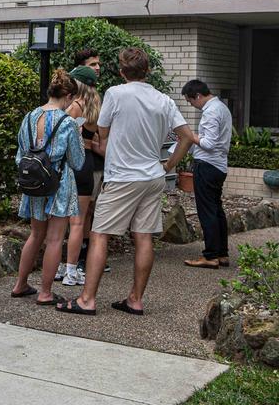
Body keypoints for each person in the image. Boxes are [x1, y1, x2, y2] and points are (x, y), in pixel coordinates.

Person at [59, 48, 193, 316]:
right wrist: (168, 165)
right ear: (148, 71)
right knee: (144, 237)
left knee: (99, 234)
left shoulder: (116, 94)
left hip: (122, 176)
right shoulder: (164, 100)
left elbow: (102, 130)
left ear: (122, 72)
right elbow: (187, 137)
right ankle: (135, 299)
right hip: (153, 176)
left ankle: (87, 299)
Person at [10, 70, 84, 306]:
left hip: (33, 182)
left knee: (35, 234)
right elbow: (78, 161)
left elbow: (19, 156)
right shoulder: (68, 123)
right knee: (54, 239)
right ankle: (45, 292)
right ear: (69, 95)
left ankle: (20, 284)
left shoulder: (30, 117)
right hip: (58, 184)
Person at [181, 79, 232, 269]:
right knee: (217, 210)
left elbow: (209, 143)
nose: (192, 105)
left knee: (207, 211)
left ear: (198, 96)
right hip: (219, 165)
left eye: (190, 101)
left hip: (207, 165)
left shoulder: (210, 112)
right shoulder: (221, 108)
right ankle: (222, 253)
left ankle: (210, 256)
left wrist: (187, 134)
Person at [59, 64, 102, 287]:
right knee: (81, 220)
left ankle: (68, 269)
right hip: (88, 163)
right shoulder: (95, 106)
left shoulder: (75, 106)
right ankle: (72, 268)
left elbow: (60, 133)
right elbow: (98, 139)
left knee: (70, 222)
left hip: (73, 163)